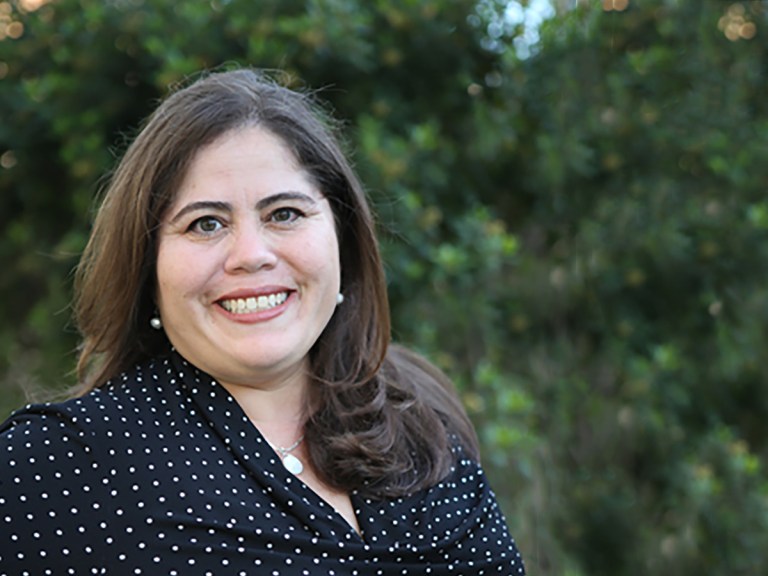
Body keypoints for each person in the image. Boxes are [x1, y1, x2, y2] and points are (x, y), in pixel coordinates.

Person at [0, 68, 525, 575]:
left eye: (285, 214)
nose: (251, 255)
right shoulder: (55, 465)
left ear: (342, 237)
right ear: (147, 264)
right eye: (206, 223)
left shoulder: (419, 420)